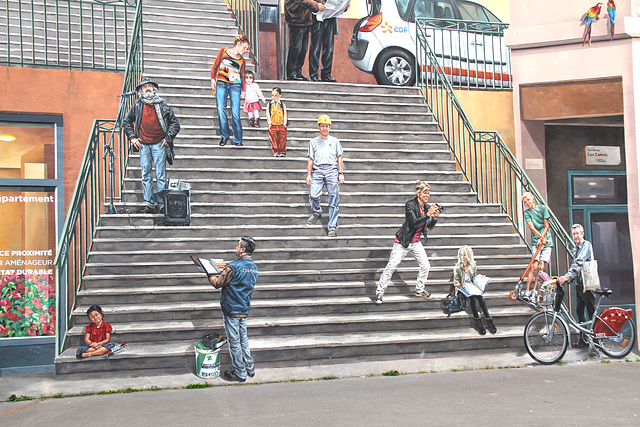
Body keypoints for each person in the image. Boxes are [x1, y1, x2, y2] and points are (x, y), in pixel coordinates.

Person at [375, 181, 441, 304]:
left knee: (425, 266)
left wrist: (435, 217)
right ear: (418, 193)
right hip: (403, 241)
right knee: (391, 267)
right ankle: (380, 291)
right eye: (425, 193)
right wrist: (428, 215)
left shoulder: (427, 207)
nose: (427, 196)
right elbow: (415, 222)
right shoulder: (410, 205)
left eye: (429, 193)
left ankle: (419, 289)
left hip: (416, 242)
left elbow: (429, 226)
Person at [123, 77, 181, 214]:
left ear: (153, 90)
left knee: (161, 175)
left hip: (159, 145)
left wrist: (168, 138)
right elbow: (126, 122)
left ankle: (161, 204)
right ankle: (149, 203)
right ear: (140, 91)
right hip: (143, 145)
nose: (147, 89)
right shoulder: (137, 106)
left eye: (149, 86)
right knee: (146, 175)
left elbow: (175, 124)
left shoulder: (162, 104)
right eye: (144, 87)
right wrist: (132, 137)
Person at [208, 236, 259, 382]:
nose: (236, 248)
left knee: (234, 342)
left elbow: (218, 283)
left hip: (231, 309)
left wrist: (210, 274)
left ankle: (240, 373)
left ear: (242, 249)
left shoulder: (233, 267)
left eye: (238, 246)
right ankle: (250, 368)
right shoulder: (254, 268)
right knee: (244, 340)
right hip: (244, 308)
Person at [557, 224, 597, 352]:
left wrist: (568, 277)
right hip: (580, 285)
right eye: (574, 234)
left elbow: (578, 263)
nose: (576, 236)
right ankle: (584, 341)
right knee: (580, 313)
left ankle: (596, 344)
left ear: (582, 234)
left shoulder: (586, 246)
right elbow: (576, 267)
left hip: (588, 286)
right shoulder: (576, 248)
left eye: (578, 234)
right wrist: (569, 279)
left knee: (592, 315)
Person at [306, 114, 344, 237]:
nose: (324, 129)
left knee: (333, 198)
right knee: (313, 195)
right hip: (317, 170)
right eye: (322, 126)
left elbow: (339, 158)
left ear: (329, 127)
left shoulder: (335, 141)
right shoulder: (313, 142)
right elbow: (310, 159)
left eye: (326, 126)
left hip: (332, 170)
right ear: (318, 127)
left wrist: (341, 173)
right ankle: (317, 212)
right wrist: (309, 174)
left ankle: (332, 227)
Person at [211, 34, 249, 146]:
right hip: (222, 83)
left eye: (246, 49)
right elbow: (215, 66)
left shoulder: (242, 61)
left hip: (235, 86)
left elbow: (242, 76)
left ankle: (238, 139)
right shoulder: (223, 51)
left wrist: (244, 90)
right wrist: (213, 79)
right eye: (244, 47)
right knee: (220, 108)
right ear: (238, 44)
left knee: (235, 112)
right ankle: (225, 135)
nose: (245, 50)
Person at [453, 246, 496, 335]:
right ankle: (478, 322)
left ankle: (489, 319)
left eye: (464, 255)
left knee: (480, 298)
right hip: (463, 287)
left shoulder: (472, 265)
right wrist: (457, 283)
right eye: (461, 255)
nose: (463, 257)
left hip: (472, 285)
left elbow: (474, 277)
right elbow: (456, 279)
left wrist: (481, 278)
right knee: (472, 299)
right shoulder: (458, 267)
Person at [521, 192, 553, 301]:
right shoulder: (527, 213)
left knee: (541, 267)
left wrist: (543, 238)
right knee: (534, 266)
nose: (527, 203)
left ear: (533, 199)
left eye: (528, 200)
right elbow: (532, 228)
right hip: (536, 241)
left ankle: (535, 291)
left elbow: (546, 225)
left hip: (546, 241)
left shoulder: (543, 208)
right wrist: (540, 238)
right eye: (525, 202)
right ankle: (527, 291)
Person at [308, 0, 350, 82]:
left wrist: (343, 8)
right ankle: (314, 74)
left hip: (330, 18)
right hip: (318, 17)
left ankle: (326, 74)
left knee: (329, 48)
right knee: (316, 47)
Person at [285, 0, 326, 81]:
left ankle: (297, 72)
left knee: (303, 49)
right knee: (296, 47)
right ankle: (291, 73)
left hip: (305, 19)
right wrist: (315, 5)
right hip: (296, 17)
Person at [266, 87, 288, 157]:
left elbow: (285, 114)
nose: (274, 97)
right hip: (273, 125)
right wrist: (269, 123)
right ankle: (275, 152)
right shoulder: (269, 105)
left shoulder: (282, 105)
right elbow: (268, 114)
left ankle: (282, 151)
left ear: (279, 96)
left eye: (276, 95)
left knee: (282, 139)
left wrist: (284, 123)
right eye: (272, 95)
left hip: (281, 124)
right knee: (273, 139)